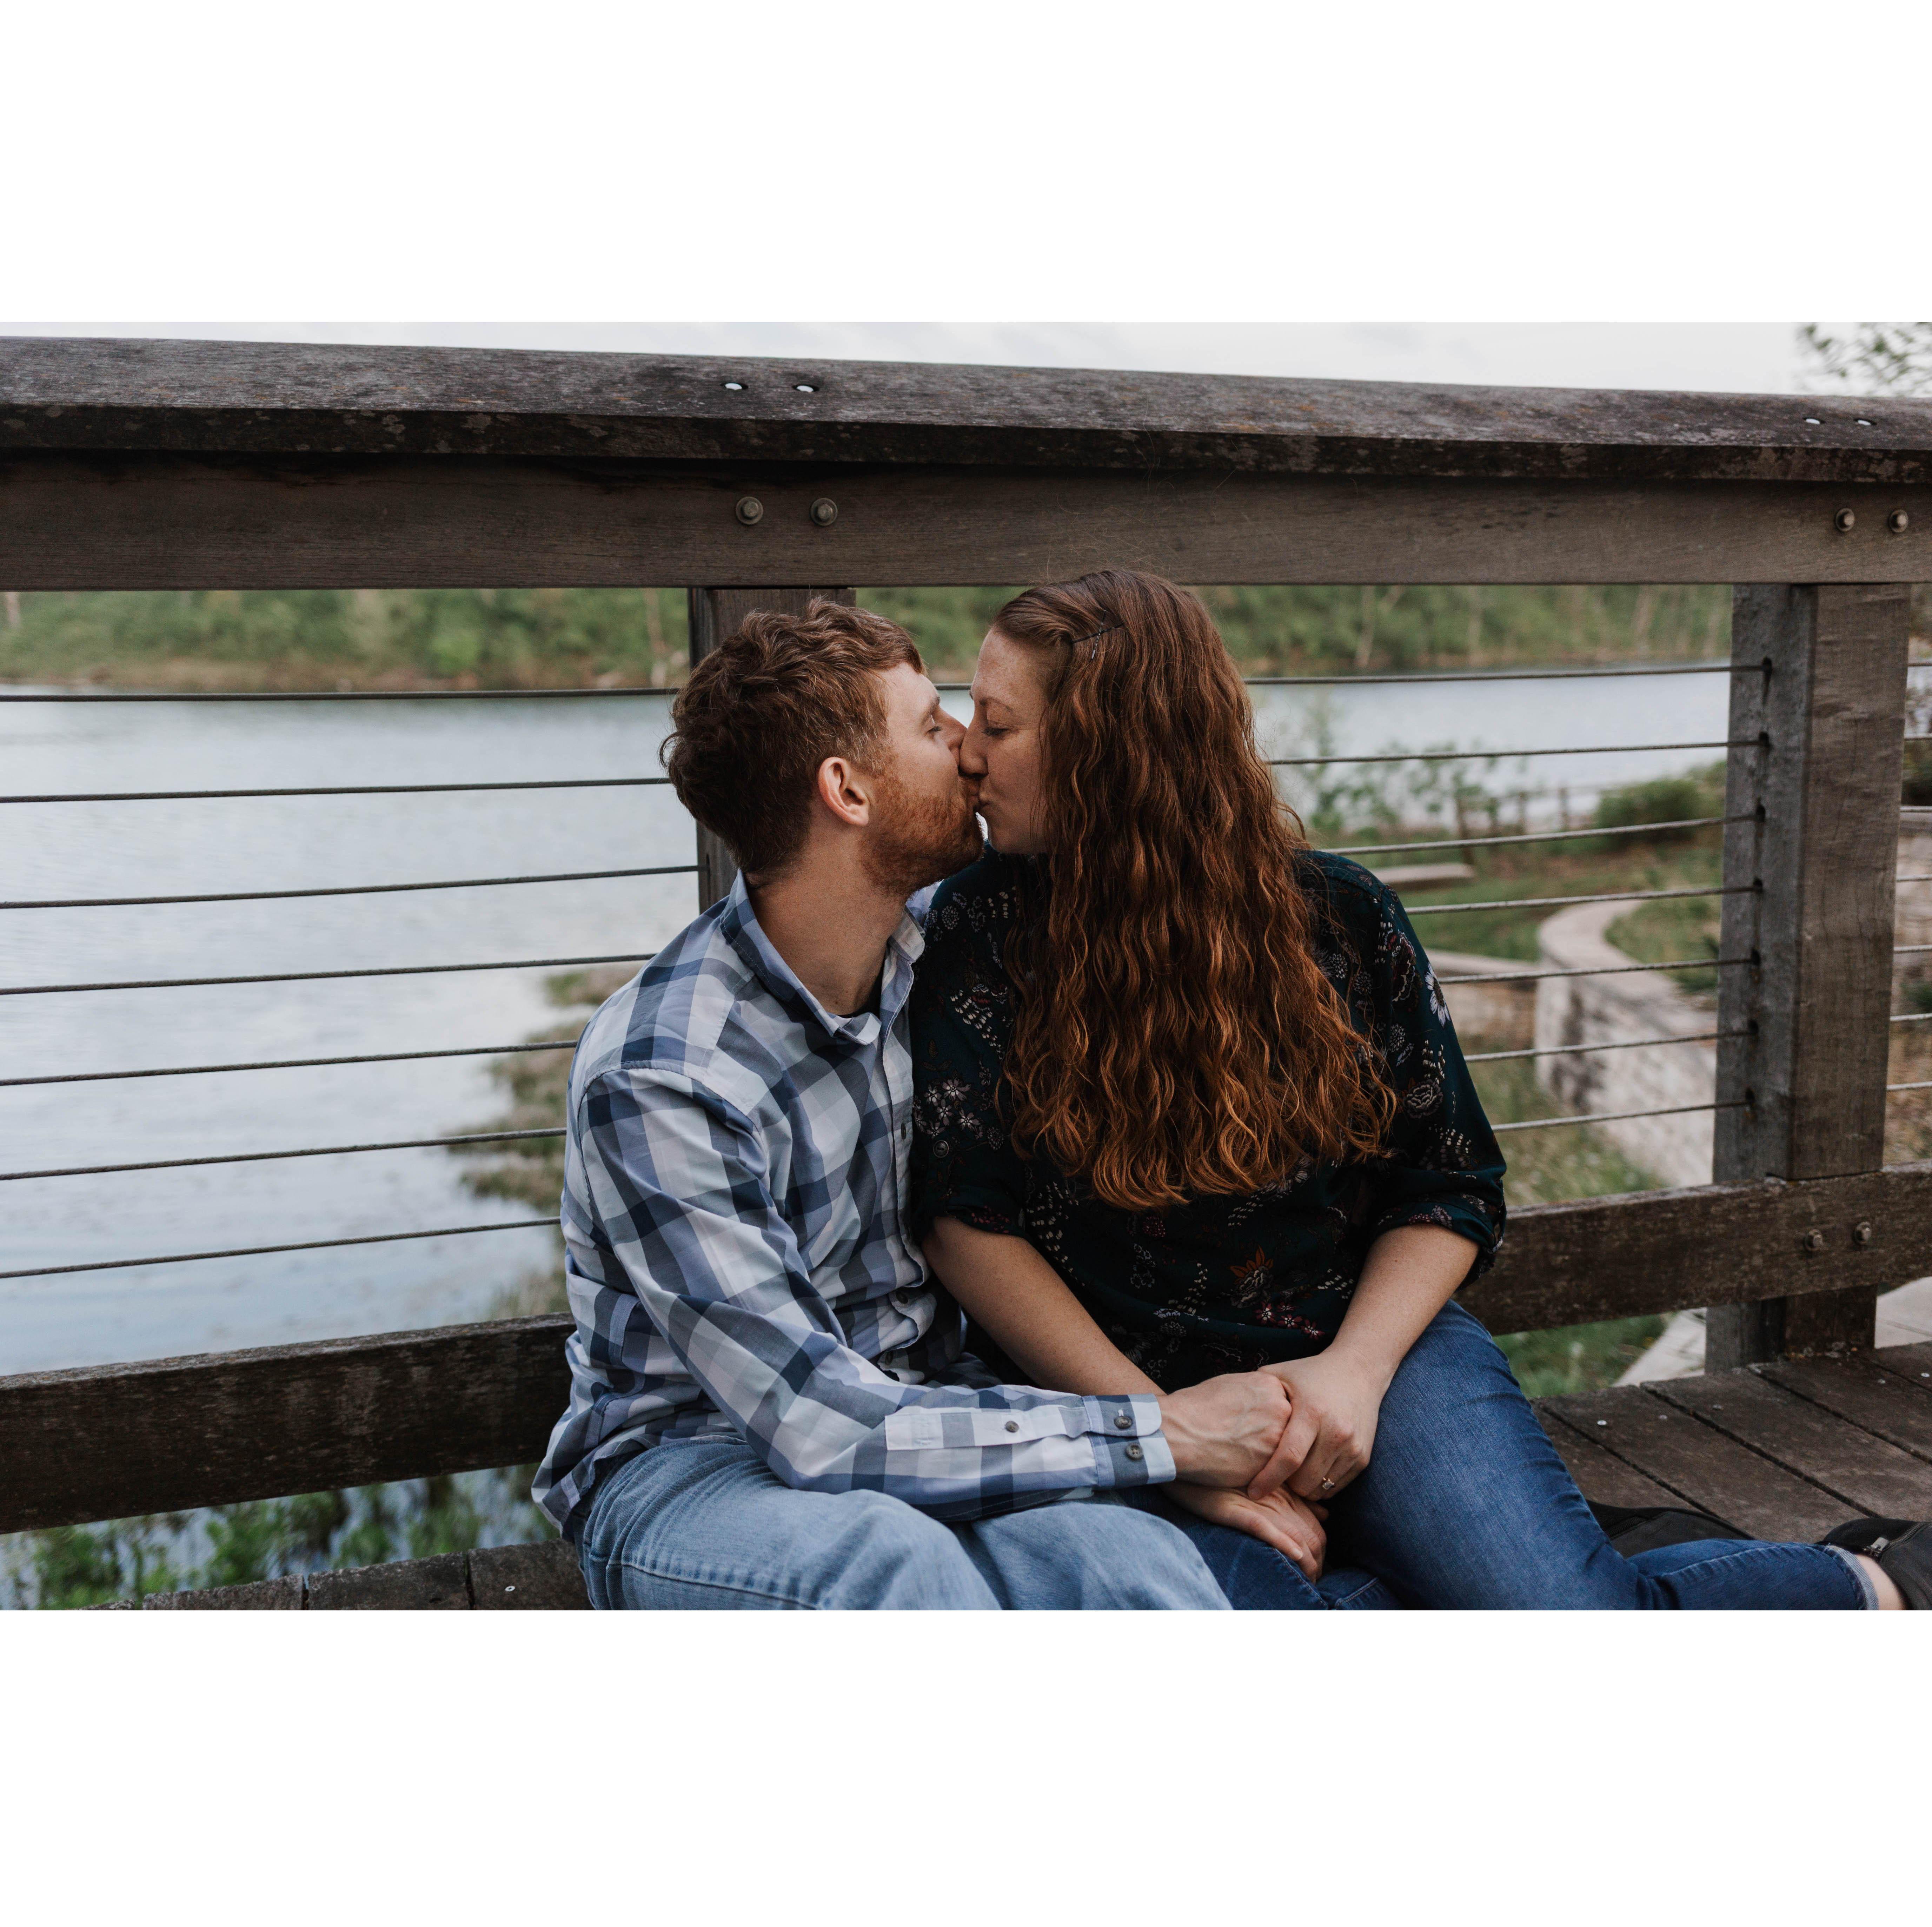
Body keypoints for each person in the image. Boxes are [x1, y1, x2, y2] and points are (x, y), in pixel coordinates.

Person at [909, 566, 1921, 1611]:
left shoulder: (1341, 919)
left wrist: (1354, 1373)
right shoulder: (970, 933)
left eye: (998, 723)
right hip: (1112, 1393)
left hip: (1369, 1352)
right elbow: (964, 1222)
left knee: (1564, 1620)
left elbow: (1449, 1183)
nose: (966, 750)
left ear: (1112, 755)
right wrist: (1163, 1440)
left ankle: (1873, 1585)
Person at [533, 598, 1303, 1609]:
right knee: (898, 1569)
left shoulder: (935, 956)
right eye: (933, 726)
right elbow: (818, 1427)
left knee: (1131, 1566)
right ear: (847, 790)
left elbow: (1136, 874)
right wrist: (1165, 1434)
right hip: (695, 1470)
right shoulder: (663, 1075)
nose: (968, 750)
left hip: (928, 1421)